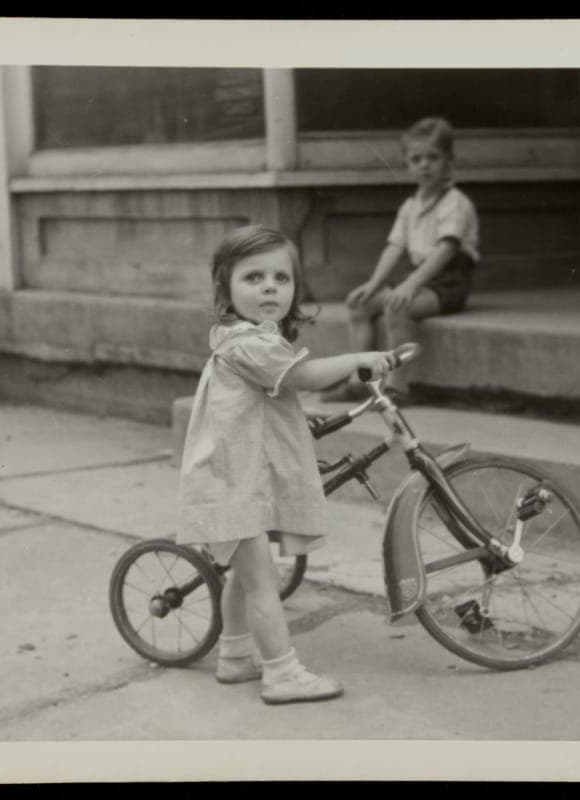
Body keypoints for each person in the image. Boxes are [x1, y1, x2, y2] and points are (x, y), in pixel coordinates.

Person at [175, 224, 398, 705]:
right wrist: (358, 356)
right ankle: (281, 673)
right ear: (225, 291)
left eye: (281, 277)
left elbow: (270, 398)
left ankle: (235, 656)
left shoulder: (253, 338)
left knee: (244, 572)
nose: (270, 286)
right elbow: (302, 375)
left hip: (236, 476)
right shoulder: (248, 344)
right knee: (263, 580)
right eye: (253, 278)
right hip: (232, 481)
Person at [323, 116, 480, 405]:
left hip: (448, 280)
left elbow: (446, 251)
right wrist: (374, 284)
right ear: (407, 164)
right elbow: (394, 247)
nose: (424, 165)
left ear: (449, 160)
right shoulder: (410, 206)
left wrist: (407, 287)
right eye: (416, 159)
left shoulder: (455, 202)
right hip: (418, 277)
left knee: (397, 308)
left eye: (433, 158)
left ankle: (397, 387)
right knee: (359, 304)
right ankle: (360, 380)